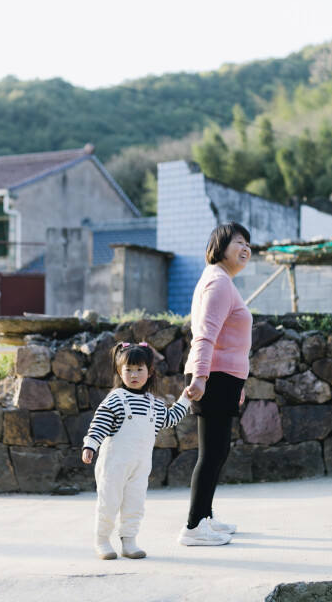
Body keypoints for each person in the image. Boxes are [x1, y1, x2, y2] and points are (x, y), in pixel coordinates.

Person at [179, 221, 253, 547]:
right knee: (211, 454)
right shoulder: (219, 282)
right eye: (239, 241)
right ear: (220, 246)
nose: (246, 247)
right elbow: (205, 334)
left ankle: (206, 517)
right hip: (214, 376)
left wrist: (239, 383)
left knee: (217, 451)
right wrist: (200, 376)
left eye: (248, 242)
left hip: (224, 377)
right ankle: (193, 527)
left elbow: (227, 341)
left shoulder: (222, 281)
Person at [82, 342, 192, 560]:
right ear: (119, 372)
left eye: (139, 369)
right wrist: (90, 445)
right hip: (114, 463)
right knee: (109, 502)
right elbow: (99, 424)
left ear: (149, 372)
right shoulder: (115, 399)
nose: (134, 375)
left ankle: (129, 541)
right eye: (128, 370)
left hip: (140, 465)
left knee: (135, 503)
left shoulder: (155, 404)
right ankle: (102, 540)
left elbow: (170, 419)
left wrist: (186, 399)